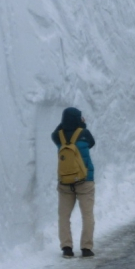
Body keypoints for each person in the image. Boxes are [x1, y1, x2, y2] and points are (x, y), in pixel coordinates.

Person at [51, 107, 96, 258]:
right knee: (87, 215)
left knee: (64, 216)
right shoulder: (84, 133)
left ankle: (67, 248)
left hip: (65, 181)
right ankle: (86, 248)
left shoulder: (58, 136)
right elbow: (91, 143)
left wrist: (64, 125)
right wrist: (81, 125)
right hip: (85, 180)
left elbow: (54, 133)